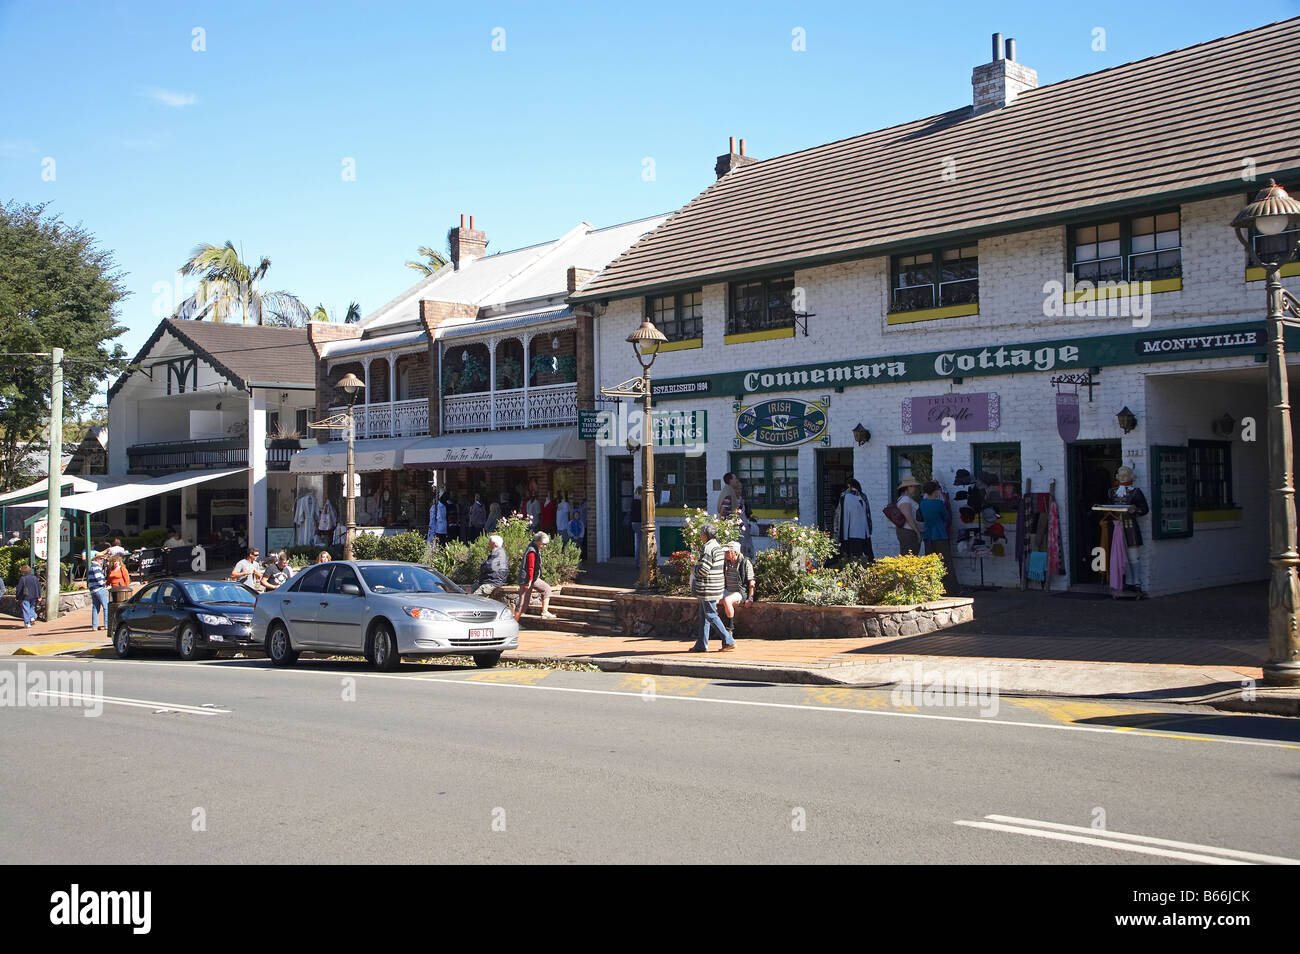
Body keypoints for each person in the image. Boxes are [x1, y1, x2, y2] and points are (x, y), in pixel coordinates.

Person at [690, 523, 733, 652]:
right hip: (716, 586)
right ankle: (701, 645)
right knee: (704, 616)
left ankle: (728, 640)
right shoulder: (718, 546)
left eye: (701, 534)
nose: (700, 536)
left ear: (706, 535)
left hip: (708, 587)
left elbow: (703, 570)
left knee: (710, 615)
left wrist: (693, 569)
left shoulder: (708, 548)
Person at [918, 480, 956, 592]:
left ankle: (930, 587)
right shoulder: (939, 504)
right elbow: (945, 517)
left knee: (930, 561)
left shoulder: (922, 503)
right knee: (946, 561)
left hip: (928, 534)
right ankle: (952, 587)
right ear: (935, 491)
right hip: (939, 533)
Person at [514, 531, 556, 622]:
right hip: (527, 579)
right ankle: (513, 623)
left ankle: (544, 612)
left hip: (533, 578)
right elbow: (530, 567)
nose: (544, 546)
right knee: (522, 603)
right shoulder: (532, 551)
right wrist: (529, 581)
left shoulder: (534, 548)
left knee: (546, 589)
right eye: (543, 544)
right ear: (538, 541)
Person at [718, 542, 755, 638]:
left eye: (727, 551)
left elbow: (752, 582)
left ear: (735, 552)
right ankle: (716, 628)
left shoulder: (745, 562)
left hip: (739, 592)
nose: (725, 553)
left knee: (727, 601)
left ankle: (730, 628)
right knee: (710, 600)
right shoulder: (726, 562)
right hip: (727, 590)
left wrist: (750, 598)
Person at [833, 478, 874, 563]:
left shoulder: (862, 497)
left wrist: (869, 529)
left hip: (862, 533)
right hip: (852, 533)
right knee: (855, 558)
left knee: (864, 558)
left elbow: (867, 514)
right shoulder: (846, 497)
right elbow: (840, 515)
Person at [894, 476, 923, 555]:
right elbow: (908, 517)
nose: (915, 488)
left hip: (909, 531)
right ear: (907, 487)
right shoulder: (905, 500)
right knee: (909, 556)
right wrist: (917, 532)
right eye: (912, 486)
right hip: (908, 531)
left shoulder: (905, 499)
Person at [85, 550, 109, 632]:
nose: (102, 560)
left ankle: (94, 626)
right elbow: (99, 578)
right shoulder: (96, 567)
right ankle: (106, 624)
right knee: (106, 607)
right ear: (97, 559)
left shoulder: (91, 567)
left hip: (93, 590)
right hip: (99, 589)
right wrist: (104, 584)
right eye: (101, 559)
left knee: (95, 608)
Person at [629, 486, 643, 564]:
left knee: (639, 542)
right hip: (639, 523)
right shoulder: (640, 502)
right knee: (640, 543)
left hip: (634, 523)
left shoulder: (634, 500)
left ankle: (638, 561)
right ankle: (638, 562)